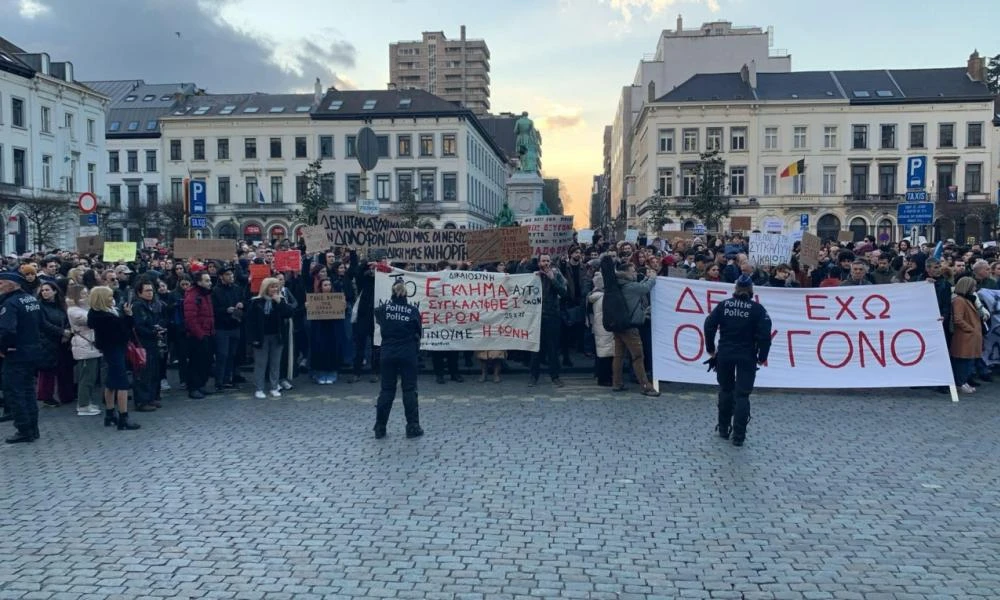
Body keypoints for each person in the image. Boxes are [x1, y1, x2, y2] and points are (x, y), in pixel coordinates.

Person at [703, 274, 772, 447]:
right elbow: (765, 336)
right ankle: (739, 435)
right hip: (747, 355)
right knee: (742, 395)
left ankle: (724, 428)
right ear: (751, 290)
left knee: (726, 390)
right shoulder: (757, 309)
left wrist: (710, 348)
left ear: (735, 289)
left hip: (725, 353)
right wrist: (762, 357)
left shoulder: (724, 305)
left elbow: (709, 325)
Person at [373, 280, 423, 439]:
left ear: (392, 293)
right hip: (407, 352)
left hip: (388, 352)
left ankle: (380, 427)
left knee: (386, 390)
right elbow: (418, 331)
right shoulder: (413, 310)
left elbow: (379, 320)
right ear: (406, 293)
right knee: (409, 390)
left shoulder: (382, 310)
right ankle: (413, 426)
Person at [87, 286, 140, 431]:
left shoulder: (96, 314)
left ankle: (110, 414)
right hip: (115, 349)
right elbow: (124, 332)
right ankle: (123, 416)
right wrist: (128, 316)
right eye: (110, 297)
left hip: (108, 349)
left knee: (111, 382)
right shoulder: (107, 317)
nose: (113, 299)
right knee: (122, 383)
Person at [0, 271, 43, 444]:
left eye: (2, 283)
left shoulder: (10, 304)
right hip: (32, 350)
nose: (0, 287)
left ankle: (23, 429)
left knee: (15, 392)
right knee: (28, 391)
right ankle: (33, 427)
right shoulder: (31, 299)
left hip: (15, 352)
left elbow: (6, 330)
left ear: (12, 284)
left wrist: (2, 348)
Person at [247, 277, 294, 398]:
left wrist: (280, 302)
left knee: (275, 363)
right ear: (265, 288)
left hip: (277, 336)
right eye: (272, 286)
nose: (275, 289)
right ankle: (259, 388)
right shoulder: (256, 302)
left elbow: (288, 313)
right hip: (261, 337)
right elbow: (250, 322)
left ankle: (274, 386)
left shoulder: (280, 300)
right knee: (261, 363)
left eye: (276, 286)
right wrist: (253, 338)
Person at [35, 281, 74, 408]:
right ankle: (47, 397)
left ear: (55, 291)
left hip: (62, 341)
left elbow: (67, 319)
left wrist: (67, 332)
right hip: (47, 341)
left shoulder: (61, 305)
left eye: (47, 290)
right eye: (43, 290)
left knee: (64, 369)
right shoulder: (39, 306)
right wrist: (61, 332)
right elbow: (43, 324)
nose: (45, 292)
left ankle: (66, 395)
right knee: (48, 370)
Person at [67, 284, 103, 417]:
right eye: (82, 294)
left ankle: (87, 401)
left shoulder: (83, 308)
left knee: (91, 376)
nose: (86, 296)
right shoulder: (74, 311)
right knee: (86, 377)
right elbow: (91, 320)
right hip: (84, 345)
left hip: (90, 344)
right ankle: (83, 404)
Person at [132, 280, 166, 412]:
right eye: (147, 290)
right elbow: (139, 326)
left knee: (153, 371)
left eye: (151, 290)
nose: (150, 293)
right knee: (143, 372)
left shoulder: (152, 305)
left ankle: (151, 397)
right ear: (139, 292)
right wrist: (153, 331)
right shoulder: (138, 306)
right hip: (142, 343)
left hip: (153, 342)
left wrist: (158, 328)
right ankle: (142, 401)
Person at [211, 265, 244, 392]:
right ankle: (219, 382)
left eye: (231, 274)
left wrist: (242, 304)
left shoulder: (237, 288)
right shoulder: (216, 291)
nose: (231, 277)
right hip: (222, 328)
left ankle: (227, 380)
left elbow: (244, 301)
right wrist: (225, 310)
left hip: (235, 325)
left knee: (232, 355)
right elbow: (213, 309)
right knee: (222, 355)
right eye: (227, 275)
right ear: (221, 277)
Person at [183, 271, 215, 399]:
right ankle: (194, 387)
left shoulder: (205, 295)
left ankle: (201, 385)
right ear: (199, 282)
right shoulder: (193, 296)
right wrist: (200, 334)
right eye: (206, 281)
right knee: (196, 362)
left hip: (208, 332)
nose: (210, 283)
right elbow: (191, 319)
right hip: (197, 335)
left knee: (206, 362)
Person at [950, 276, 983, 394]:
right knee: (963, 362)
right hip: (965, 337)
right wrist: (971, 329)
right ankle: (960, 383)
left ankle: (963, 381)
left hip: (969, 336)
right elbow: (958, 319)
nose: (975, 288)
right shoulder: (959, 300)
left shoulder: (968, 299)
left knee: (967, 362)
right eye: (973, 286)